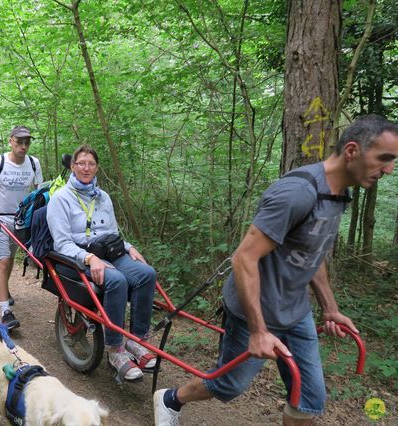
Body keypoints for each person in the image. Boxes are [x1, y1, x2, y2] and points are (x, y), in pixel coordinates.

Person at [153, 114, 398, 426]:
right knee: (229, 385)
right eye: (384, 159)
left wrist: (330, 308)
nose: (389, 170)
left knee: (309, 397)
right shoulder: (298, 192)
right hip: (254, 309)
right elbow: (244, 258)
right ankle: (171, 398)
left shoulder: (338, 195)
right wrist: (258, 330)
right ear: (352, 151)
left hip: (295, 311)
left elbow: (313, 252)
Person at [46, 145, 157, 382]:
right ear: (72, 167)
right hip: (77, 256)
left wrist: (129, 247)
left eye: (91, 164)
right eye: (81, 163)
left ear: (97, 168)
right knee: (115, 280)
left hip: (108, 251)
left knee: (147, 274)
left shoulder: (103, 197)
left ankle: (137, 341)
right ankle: (116, 351)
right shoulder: (60, 199)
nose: (86, 168)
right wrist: (89, 258)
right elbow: (62, 243)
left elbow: (112, 233)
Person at [0, 125, 43, 330]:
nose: (23, 146)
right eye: (19, 142)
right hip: (0, 219)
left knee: (11, 259)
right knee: (4, 261)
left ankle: (3, 292)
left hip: (22, 221)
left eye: (27, 142)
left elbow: (40, 193)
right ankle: (5, 312)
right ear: (11, 141)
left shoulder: (34, 163)